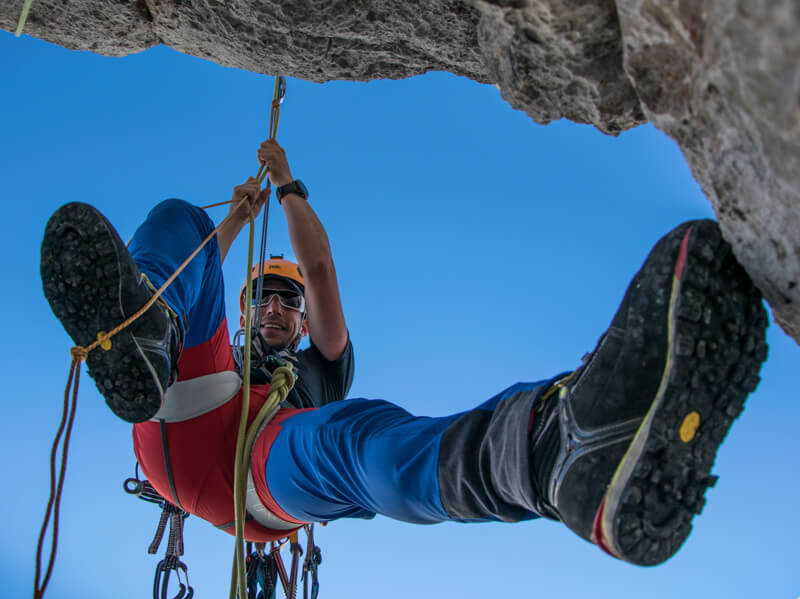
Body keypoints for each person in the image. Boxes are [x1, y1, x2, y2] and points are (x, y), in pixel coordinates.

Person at [40, 140, 768, 567]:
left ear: (303, 319)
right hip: (184, 408)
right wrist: (234, 217)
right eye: (262, 294)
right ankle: (142, 325)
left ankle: (554, 454)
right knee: (180, 220)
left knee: (353, 436)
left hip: (257, 468)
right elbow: (199, 255)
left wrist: (289, 187)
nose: (273, 305)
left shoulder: (322, 364)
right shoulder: (224, 353)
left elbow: (319, 270)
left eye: (286, 302)